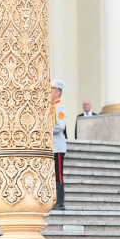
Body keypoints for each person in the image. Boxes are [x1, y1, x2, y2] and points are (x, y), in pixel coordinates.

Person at [51, 80, 67, 211]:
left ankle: (60, 202)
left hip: (58, 146)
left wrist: (46, 130)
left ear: (57, 93)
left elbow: (60, 126)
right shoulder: (51, 106)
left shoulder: (59, 107)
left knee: (59, 174)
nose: (49, 93)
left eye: (51, 91)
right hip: (52, 146)